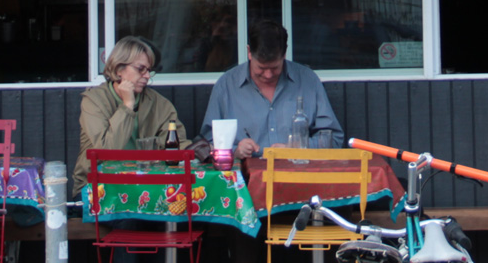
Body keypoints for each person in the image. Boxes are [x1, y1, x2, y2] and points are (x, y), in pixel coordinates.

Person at [199, 20, 343, 160]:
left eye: (275, 68)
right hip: (244, 174)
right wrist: (234, 150)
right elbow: (207, 142)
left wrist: (295, 148)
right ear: (249, 52)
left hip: (297, 171)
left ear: (284, 53)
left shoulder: (308, 81)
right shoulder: (226, 85)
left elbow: (333, 139)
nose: (268, 75)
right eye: (261, 68)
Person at [74, 35, 183, 193]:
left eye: (149, 70)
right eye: (140, 69)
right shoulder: (93, 101)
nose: (147, 76)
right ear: (119, 69)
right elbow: (106, 152)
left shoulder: (159, 103)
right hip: (97, 185)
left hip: (145, 184)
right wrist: (127, 106)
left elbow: (178, 145)